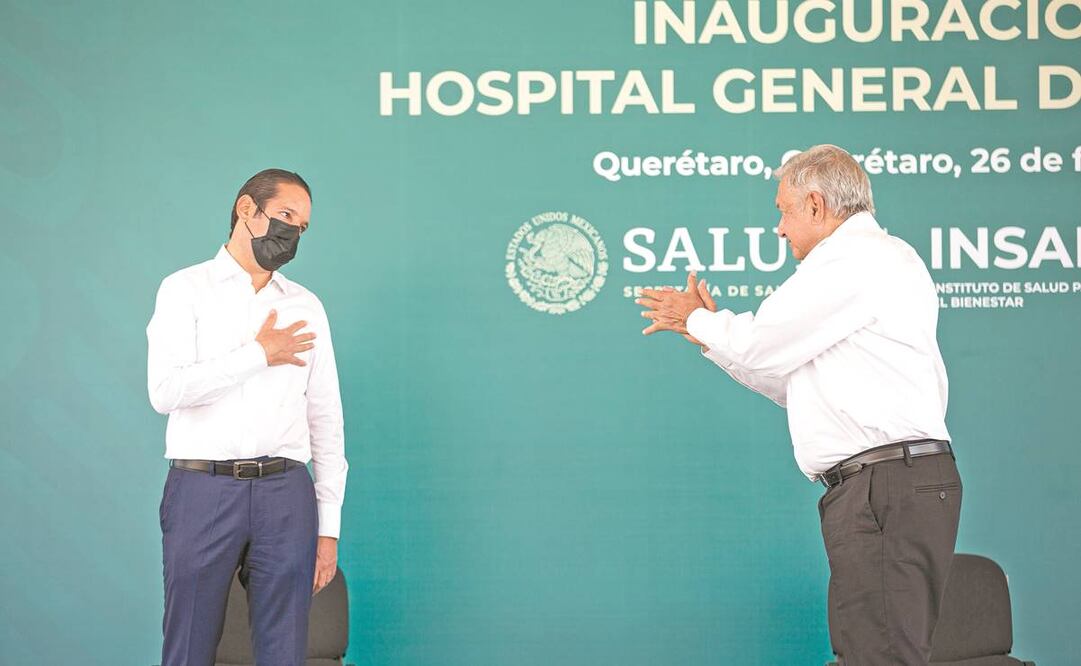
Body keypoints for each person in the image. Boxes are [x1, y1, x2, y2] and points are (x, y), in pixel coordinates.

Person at [636, 144, 962, 664]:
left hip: (884, 488)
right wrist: (709, 338)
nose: (780, 229)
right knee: (872, 651)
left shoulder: (854, 260)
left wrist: (694, 319)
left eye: (784, 212)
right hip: (888, 483)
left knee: (878, 656)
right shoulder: (874, 261)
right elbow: (787, 378)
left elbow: (761, 344)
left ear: (815, 204)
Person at [146, 168, 349, 666]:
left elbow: (326, 420)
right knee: (189, 644)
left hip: (286, 492)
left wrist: (328, 528)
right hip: (203, 490)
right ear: (245, 209)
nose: (292, 233)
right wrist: (258, 354)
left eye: (301, 226)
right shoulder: (184, 289)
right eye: (285, 216)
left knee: (285, 651)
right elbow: (166, 391)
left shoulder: (306, 306)